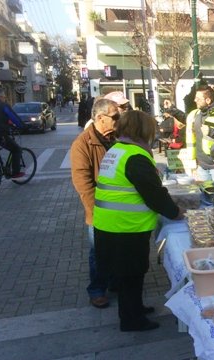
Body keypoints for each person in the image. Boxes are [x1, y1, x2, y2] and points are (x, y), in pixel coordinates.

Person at [93, 110, 184, 332]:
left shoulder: (117, 150)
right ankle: (132, 320)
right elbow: (154, 194)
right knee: (131, 274)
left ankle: (135, 309)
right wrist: (176, 213)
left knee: (129, 275)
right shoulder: (135, 155)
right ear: (143, 130)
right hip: (126, 227)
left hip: (111, 225)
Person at [70, 98, 119, 309]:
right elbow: (83, 182)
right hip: (99, 210)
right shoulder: (83, 144)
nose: (119, 120)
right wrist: (96, 210)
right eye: (115, 117)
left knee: (118, 249)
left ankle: (115, 281)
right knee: (98, 251)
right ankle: (97, 289)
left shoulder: (116, 138)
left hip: (120, 208)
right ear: (100, 118)